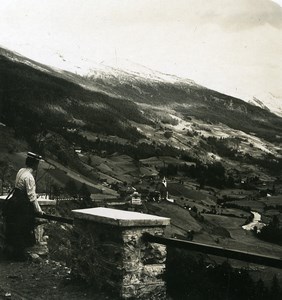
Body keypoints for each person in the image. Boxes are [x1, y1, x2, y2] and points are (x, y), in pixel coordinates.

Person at [4, 152, 44, 261]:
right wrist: (39, 210)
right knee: (23, 228)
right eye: (37, 164)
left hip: (14, 202)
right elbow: (31, 197)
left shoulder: (21, 171)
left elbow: (21, 189)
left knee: (14, 227)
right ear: (35, 164)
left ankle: (13, 253)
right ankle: (20, 255)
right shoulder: (30, 177)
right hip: (22, 206)